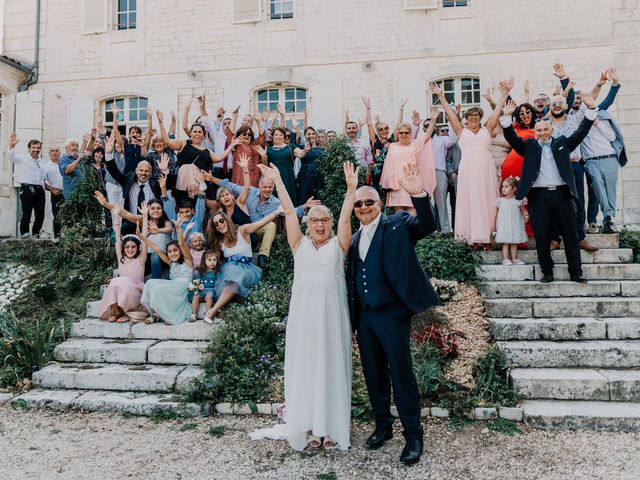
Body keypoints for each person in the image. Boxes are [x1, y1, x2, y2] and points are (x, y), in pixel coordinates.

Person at [250, 162, 354, 451]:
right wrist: (279, 182)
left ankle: (331, 426)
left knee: (330, 367)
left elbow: (346, 222)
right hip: (305, 317)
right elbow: (287, 210)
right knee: (308, 367)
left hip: (332, 317)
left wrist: (350, 191)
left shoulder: (338, 246)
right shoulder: (299, 244)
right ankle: (310, 425)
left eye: (324, 221)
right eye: (314, 221)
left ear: (329, 225)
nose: (319, 225)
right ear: (308, 224)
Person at [347, 162, 438, 465]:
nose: (363, 207)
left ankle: (413, 435)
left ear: (378, 203)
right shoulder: (355, 239)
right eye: (358, 203)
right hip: (366, 317)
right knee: (373, 375)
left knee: (401, 375)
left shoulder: (398, 223)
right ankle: (383, 426)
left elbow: (427, 226)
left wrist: (419, 194)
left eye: (368, 202)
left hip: (393, 315)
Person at [501, 94, 598, 283]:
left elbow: (581, 133)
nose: (543, 132)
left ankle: (576, 273)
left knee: (570, 235)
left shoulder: (562, 143)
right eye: (540, 130)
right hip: (538, 195)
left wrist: (591, 109)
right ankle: (547, 272)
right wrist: (506, 117)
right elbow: (512, 138)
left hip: (562, 193)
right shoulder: (529, 146)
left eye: (546, 129)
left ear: (551, 130)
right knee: (542, 236)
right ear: (535, 132)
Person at [432, 79, 513, 248]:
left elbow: (498, 111)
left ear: (480, 117)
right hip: (468, 169)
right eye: (470, 116)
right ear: (466, 119)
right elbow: (451, 114)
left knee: (487, 200)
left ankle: (487, 237)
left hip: (485, 168)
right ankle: (472, 237)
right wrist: (440, 95)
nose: (474, 117)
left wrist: (505, 93)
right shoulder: (461, 131)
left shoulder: (487, 129)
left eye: (477, 115)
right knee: (470, 201)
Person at [203, 171, 319, 268]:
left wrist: (304, 206)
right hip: (236, 235)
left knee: (271, 226)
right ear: (260, 186)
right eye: (265, 187)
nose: (267, 189)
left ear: (273, 187)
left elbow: (290, 210)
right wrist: (211, 178)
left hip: (256, 229)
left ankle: (263, 256)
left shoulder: (275, 202)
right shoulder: (250, 194)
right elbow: (231, 186)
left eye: (270, 187)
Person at [205, 209, 280, 322]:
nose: (220, 225)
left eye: (221, 220)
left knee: (237, 279)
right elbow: (211, 257)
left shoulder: (242, 230)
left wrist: (276, 213)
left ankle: (212, 311)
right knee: (232, 279)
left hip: (246, 269)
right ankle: (214, 311)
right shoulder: (220, 241)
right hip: (229, 269)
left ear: (226, 219)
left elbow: (260, 223)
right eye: (216, 224)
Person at [380, 108, 439, 216]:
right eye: (401, 132)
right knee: (399, 215)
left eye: (406, 132)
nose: (403, 135)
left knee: (413, 212)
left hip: (411, 183)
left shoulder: (414, 144)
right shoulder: (392, 146)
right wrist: (391, 183)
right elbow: (388, 166)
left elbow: (427, 135)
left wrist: (433, 120)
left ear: (410, 133)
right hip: (397, 184)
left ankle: (412, 233)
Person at [139, 213, 194, 325]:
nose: (172, 253)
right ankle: (155, 314)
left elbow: (182, 244)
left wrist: (178, 229)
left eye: (175, 250)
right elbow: (156, 248)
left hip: (181, 289)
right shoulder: (170, 263)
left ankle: (162, 315)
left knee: (159, 287)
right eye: (170, 251)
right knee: (150, 283)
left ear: (180, 251)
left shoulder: (188, 261)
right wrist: (142, 237)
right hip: (172, 287)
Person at [98, 203, 148, 322]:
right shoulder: (121, 258)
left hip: (135, 294)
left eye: (133, 247)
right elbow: (117, 239)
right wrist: (116, 217)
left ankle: (126, 312)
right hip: (121, 292)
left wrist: (145, 216)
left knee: (120, 282)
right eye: (127, 247)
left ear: (137, 248)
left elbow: (145, 239)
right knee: (115, 282)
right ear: (123, 249)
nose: (130, 249)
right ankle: (117, 312)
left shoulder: (140, 259)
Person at [8, 133, 45, 239]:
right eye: (33, 147)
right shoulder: (23, 158)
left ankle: (35, 235)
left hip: (39, 190)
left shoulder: (41, 162)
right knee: (26, 214)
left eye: (38, 148)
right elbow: (11, 156)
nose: (36, 149)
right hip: (27, 189)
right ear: (29, 149)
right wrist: (12, 145)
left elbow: (42, 177)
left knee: (40, 215)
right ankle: (24, 235)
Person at [267, 126, 311, 206]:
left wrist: (305, 150)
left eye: (280, 135)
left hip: (288, 178)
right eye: (276, 135)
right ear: (273, 137)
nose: (278, 136)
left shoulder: (290, 147)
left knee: (289, 202)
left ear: (284, 137)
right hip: (274, 180)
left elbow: (301, 154)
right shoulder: (268, 150)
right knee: (275, 204)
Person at [495, 177, 528, 265]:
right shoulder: (500, 201)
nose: (503, 189)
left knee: (514, 243)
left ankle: (514, 259)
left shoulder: (518, 200)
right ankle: (505, 259)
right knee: (505, 243)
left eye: (506, 187)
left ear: (514, 189)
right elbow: (497, 214)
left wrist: (525, 214)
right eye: (503, 186)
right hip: (504, 225)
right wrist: (496, 225)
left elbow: (523, 209)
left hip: (515, 224)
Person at [189, 248, 221, 324]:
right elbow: (197, 280)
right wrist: (195, 286)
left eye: (214, 260)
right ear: (204, 261)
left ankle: (208, 314)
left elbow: (219, 281)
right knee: (196, 296)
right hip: (202, 290)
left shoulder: (217, 271)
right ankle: (194, 314)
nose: (212, 262)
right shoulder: (201, 271)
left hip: (212, 290)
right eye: (209, 260)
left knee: (209, 295)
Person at [296, 126, 324, 203]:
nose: (311, 135)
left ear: (315, 135)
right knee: (305, 197)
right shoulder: (301, 147)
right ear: (305, 136)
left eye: (313, 134)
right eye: (308, 134)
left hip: (318, 176)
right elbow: (296, 139)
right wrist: (296, 127)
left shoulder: (321, 149)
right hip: (305, 176)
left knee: (318, 197)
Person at [43, 145, 64, 238]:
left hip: (68, 194)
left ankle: (70, 237)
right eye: (52, 151)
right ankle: (57, 238)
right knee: (57, 217)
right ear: (49, 153)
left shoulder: (64, 163)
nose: (54, 152)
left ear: (60, 153)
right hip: (56, 195)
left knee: (71, 215)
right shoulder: (46, 167)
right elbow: (41, 182)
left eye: (56, 150)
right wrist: (52, 189)